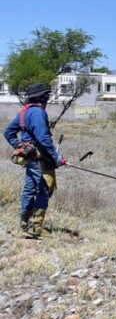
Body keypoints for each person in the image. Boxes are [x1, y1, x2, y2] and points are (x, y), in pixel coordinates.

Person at [4, 83, 66, 239]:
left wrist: (22, 146)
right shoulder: (38, 112)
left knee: (30, 189)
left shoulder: (25, 112)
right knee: (44, 189)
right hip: (40, 158)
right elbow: (43, 138)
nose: (48, 97)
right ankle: (36, 227)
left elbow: (8, 133)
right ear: (41, 97)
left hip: (30, 158)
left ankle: (25, 224)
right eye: (46, 95)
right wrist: (56, 158)